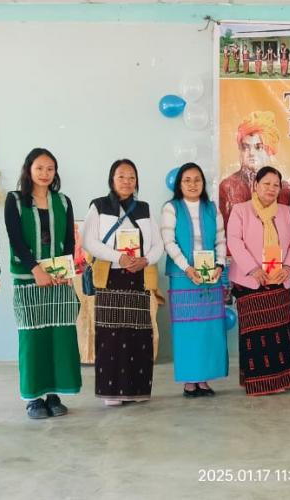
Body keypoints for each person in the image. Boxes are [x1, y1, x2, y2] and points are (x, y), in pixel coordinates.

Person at [4, 148, 81, 418]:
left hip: (59, 279)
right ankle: (34, 398)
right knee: (33, 337)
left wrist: (66, 268)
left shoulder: (63, 201)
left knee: (59, 336)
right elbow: (16, 239)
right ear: (28, 170)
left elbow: (69, 242)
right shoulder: (14, 200)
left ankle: (54, 394)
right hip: (29, 279)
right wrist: (36, 269)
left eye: (50, 169)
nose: (45, 173)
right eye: (40, 168)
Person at [83, 159, 164, 406]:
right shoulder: (98, 206)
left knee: (139, 335)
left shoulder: (145, 208)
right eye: (121, 176)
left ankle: (138, 390)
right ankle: (112, 393)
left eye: (131, 176)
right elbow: (89, 241)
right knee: (111, 336)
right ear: (112, 179)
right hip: (110, 278)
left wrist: (146, 259)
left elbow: (158, 244)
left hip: (138, 278)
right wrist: (119, 257)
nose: (127, 181)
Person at [227, 166, 290, 396]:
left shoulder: (287, 212)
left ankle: (283, 379)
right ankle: (259, 383)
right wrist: (253, 269)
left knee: (281, 332)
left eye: (276, 185)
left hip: (278, 279)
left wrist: (288, 268)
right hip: (250, 281)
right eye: (266, 183)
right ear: (255, 186)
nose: (271, 188)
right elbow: (234, 241)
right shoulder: (241, 210)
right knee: (256, 335)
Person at [161, 162, 227, 397]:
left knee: (209, 329)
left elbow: (221, 239)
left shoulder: (212, 208)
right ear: (179, 184)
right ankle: (190, 380)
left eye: (197, 179)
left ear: (203, 182)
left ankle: (205, 380)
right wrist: (187, 268)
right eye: (187, 180)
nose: (192, 184)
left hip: (211, 275)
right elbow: (169, 242)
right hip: (183, 276)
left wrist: (220, 265)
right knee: (187, 330)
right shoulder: (171, 208)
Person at [219, 111, 290, 228]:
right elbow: (224, 231)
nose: (251, 153)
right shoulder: (228, 187)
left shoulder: (285, 190)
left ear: (269, 150)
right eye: (246, 147)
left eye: (258, 147)